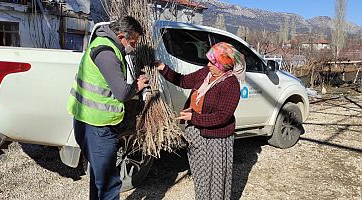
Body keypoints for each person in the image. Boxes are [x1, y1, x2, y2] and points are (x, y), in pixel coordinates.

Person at [67, 16, 148, 200]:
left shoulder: (100, 41)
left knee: (99, 177)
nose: (133, 47)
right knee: (109, 183)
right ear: (121, 37)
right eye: (133, 42)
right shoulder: (107, 53)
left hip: (86, 120)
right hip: (97, 127)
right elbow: (121, 93)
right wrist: (137, 85)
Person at [156, 42, 246, 200]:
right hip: (196, 133)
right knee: (200, 176)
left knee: (215, 179)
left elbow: (222, 116)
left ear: (223, 65)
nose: (208, 64)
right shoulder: (206, 73)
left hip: (216, 139)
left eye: (212, 62)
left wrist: (193, 117)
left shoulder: (230, 84)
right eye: (209, 61)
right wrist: (163, 68)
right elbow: (183, 81)